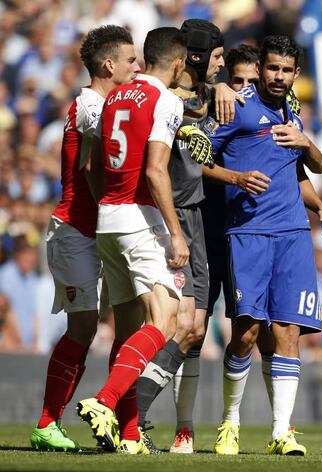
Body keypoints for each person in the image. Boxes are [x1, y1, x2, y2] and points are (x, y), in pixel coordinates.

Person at [208, 35, 322, 457]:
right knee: (245, 334)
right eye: (272, 68)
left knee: (288, 330)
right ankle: (230, 422)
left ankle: (282, 431)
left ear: (296, 73)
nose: (278, 76)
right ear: (260, 67)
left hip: (294, 234)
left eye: (286, 70)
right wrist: (236, 179)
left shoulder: (292, 112)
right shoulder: (238, 106)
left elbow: (307, 167)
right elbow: (195, 155)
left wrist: (319, 205)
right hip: (248, 233)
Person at [76, 26, 192, 455]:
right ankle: (105, 402)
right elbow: (156, 171)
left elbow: (90, 166)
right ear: (178, 63)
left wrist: (109, 204)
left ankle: (128, 436)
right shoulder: (165, 100)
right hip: (138, 219)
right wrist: (175, 233)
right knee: (165, 319)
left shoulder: (114, 97)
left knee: (127, 332)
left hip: (108, 217)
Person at [30, 25, 141, 452]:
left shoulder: (108, 103)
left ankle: (126, 426)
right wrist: (115, 208)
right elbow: (95, 170)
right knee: (83, 326)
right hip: (77, 230)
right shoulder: (91, 106)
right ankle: (46, 422)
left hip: (102, 233)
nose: (138, 68)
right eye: (131, 60)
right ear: (109, 64)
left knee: (117, 327)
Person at [134, 19, 231, 454]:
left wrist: (224, 85)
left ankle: (131, 413)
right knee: (170, 323)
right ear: (191, 57)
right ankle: (127, 412)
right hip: (172, 219)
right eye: (217, 58)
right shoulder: (162, 101)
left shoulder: (205, 96)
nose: (222, 65)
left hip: (193, 217)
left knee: (190, 327)